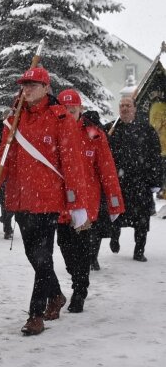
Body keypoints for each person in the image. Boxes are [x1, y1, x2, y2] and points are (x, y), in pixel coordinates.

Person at [0, 67, 90, 336]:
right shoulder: (15, 118)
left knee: (42, 256)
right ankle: (56, 295)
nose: (26, 90)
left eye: (32, 85)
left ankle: (35, 314)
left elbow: (72, 164)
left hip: (49, 200)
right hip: (20, 199)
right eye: (24, 85)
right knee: (35, 256)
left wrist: (76, 203)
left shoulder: (60, 117)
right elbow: (2, 157)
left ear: (45, 88)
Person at [54, 89, 124, 313]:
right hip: (59, 204)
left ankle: (79, 290)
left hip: (86, 204)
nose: (68, 113)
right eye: (64, 109)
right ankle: (76, 277)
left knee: (83, 250)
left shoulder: (94, 134)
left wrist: (114, 202)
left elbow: (107, 170)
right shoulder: (53, 131)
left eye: (72, 109)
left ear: (80, 110)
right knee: (64, 247)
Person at [106, 96, 162, 261]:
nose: (124, 108)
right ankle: (114, 238)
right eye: (122, 105)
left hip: (140, 183)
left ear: (135, 109)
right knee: (116, 215)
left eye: (128, 105)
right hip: (118, 183)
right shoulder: (111, 129)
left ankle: (139, 251)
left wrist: (156, 181)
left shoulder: (146, 130)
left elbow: (155, 157)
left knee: (142, 220)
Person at [147, 99, 166, 199]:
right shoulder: (159, 108)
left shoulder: (157, 107)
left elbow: (154, 127)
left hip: (161, 148)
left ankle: (163, 191)